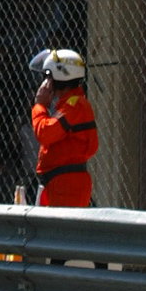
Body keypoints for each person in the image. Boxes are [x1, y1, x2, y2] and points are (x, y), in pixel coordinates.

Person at [27, 48, 97, 207]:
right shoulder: (71, 104)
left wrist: (39, 105)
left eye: (47, 76)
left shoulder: (74, 105)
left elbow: (45, 133)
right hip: (60, 182)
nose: (45, 82)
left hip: (66, 184)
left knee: (59, 230)